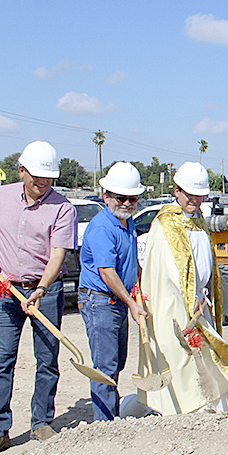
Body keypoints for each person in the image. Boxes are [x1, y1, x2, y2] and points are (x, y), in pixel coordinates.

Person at [0, 141, 77, 455]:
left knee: (47, 360)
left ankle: (41, 422)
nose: (43, 183)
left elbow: (57, 254)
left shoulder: (63, 208)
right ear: (21, 171)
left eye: (48, 178)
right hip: (5, 291)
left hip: (45, 291)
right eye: (36, 177)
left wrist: (41, 289)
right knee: (2, 361)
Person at [139, 162, 228, 415]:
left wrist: (203, 296)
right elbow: (168, 268)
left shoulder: (199, 220)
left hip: (200, 302)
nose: (193, 200)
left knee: (206, 356)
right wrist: (189, 300)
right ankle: (183, 412)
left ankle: (210, 405)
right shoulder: (166, 223)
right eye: (189, 194)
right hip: (175, 305)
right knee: (182, 358)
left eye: (198, 195)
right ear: (177, 191)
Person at [78, 162, 146, 422]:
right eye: (121, 198)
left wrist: (139, 291)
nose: (127, 203)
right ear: (106, 196)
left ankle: (110, 417)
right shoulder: (102, 228)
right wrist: (131, 303)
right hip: (100, 302)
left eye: (132, 198)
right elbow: (107, 272)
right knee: (105, 366)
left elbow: (132, 263)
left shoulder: (127, 223)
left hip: (117, 301)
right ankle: (104, 425)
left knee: (117, 361)